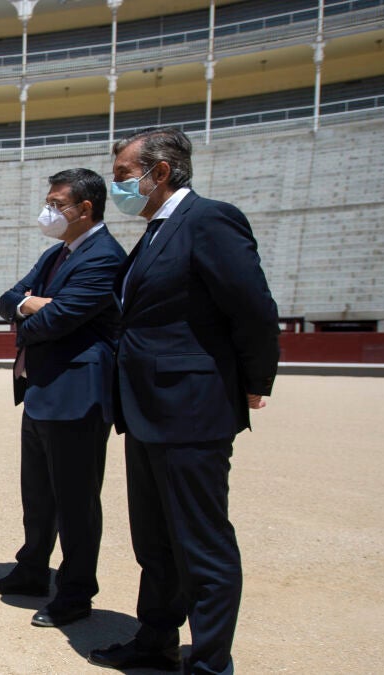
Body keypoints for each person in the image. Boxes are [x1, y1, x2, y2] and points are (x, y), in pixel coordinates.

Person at [88, 128, 280, 674]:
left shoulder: (210, 220)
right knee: (154, 541)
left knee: (200, 542)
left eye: (123, 175)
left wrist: (255, 381)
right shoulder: (154, 234)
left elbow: (253, 307)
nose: (118, 185)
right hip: (147, 409)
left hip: (191, 408)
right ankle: (156, 641)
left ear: (160, 172)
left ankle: (211, 663)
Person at [0, 168, 126, 629]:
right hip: (42, 389)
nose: (48, 211)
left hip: (78, 395)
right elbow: (7, 299)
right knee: (38, 493)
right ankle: (31, 570)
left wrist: (34, 308)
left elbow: (57, 320)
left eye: (56, 203)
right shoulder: (56, 254)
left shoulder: (105, 257)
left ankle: (76, 592)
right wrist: (29, 303)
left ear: (85, 208)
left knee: (76, 501)